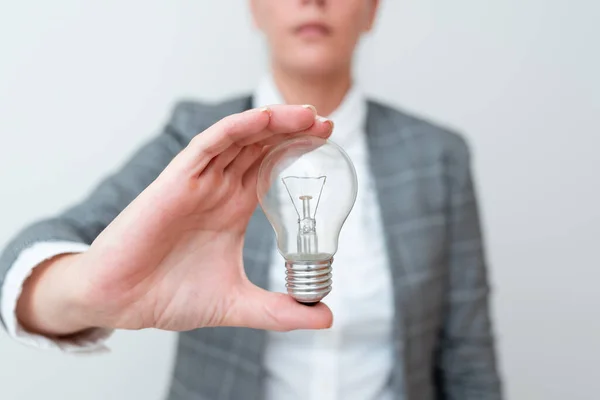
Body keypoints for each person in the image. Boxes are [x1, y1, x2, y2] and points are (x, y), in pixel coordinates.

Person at [0, 0, 502, 399]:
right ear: (254, 7)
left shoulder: (438, 157)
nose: (313, 1)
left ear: (373, 9)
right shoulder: (196, 143)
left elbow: (467, 353)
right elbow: (23, 257)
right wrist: (85, 291)